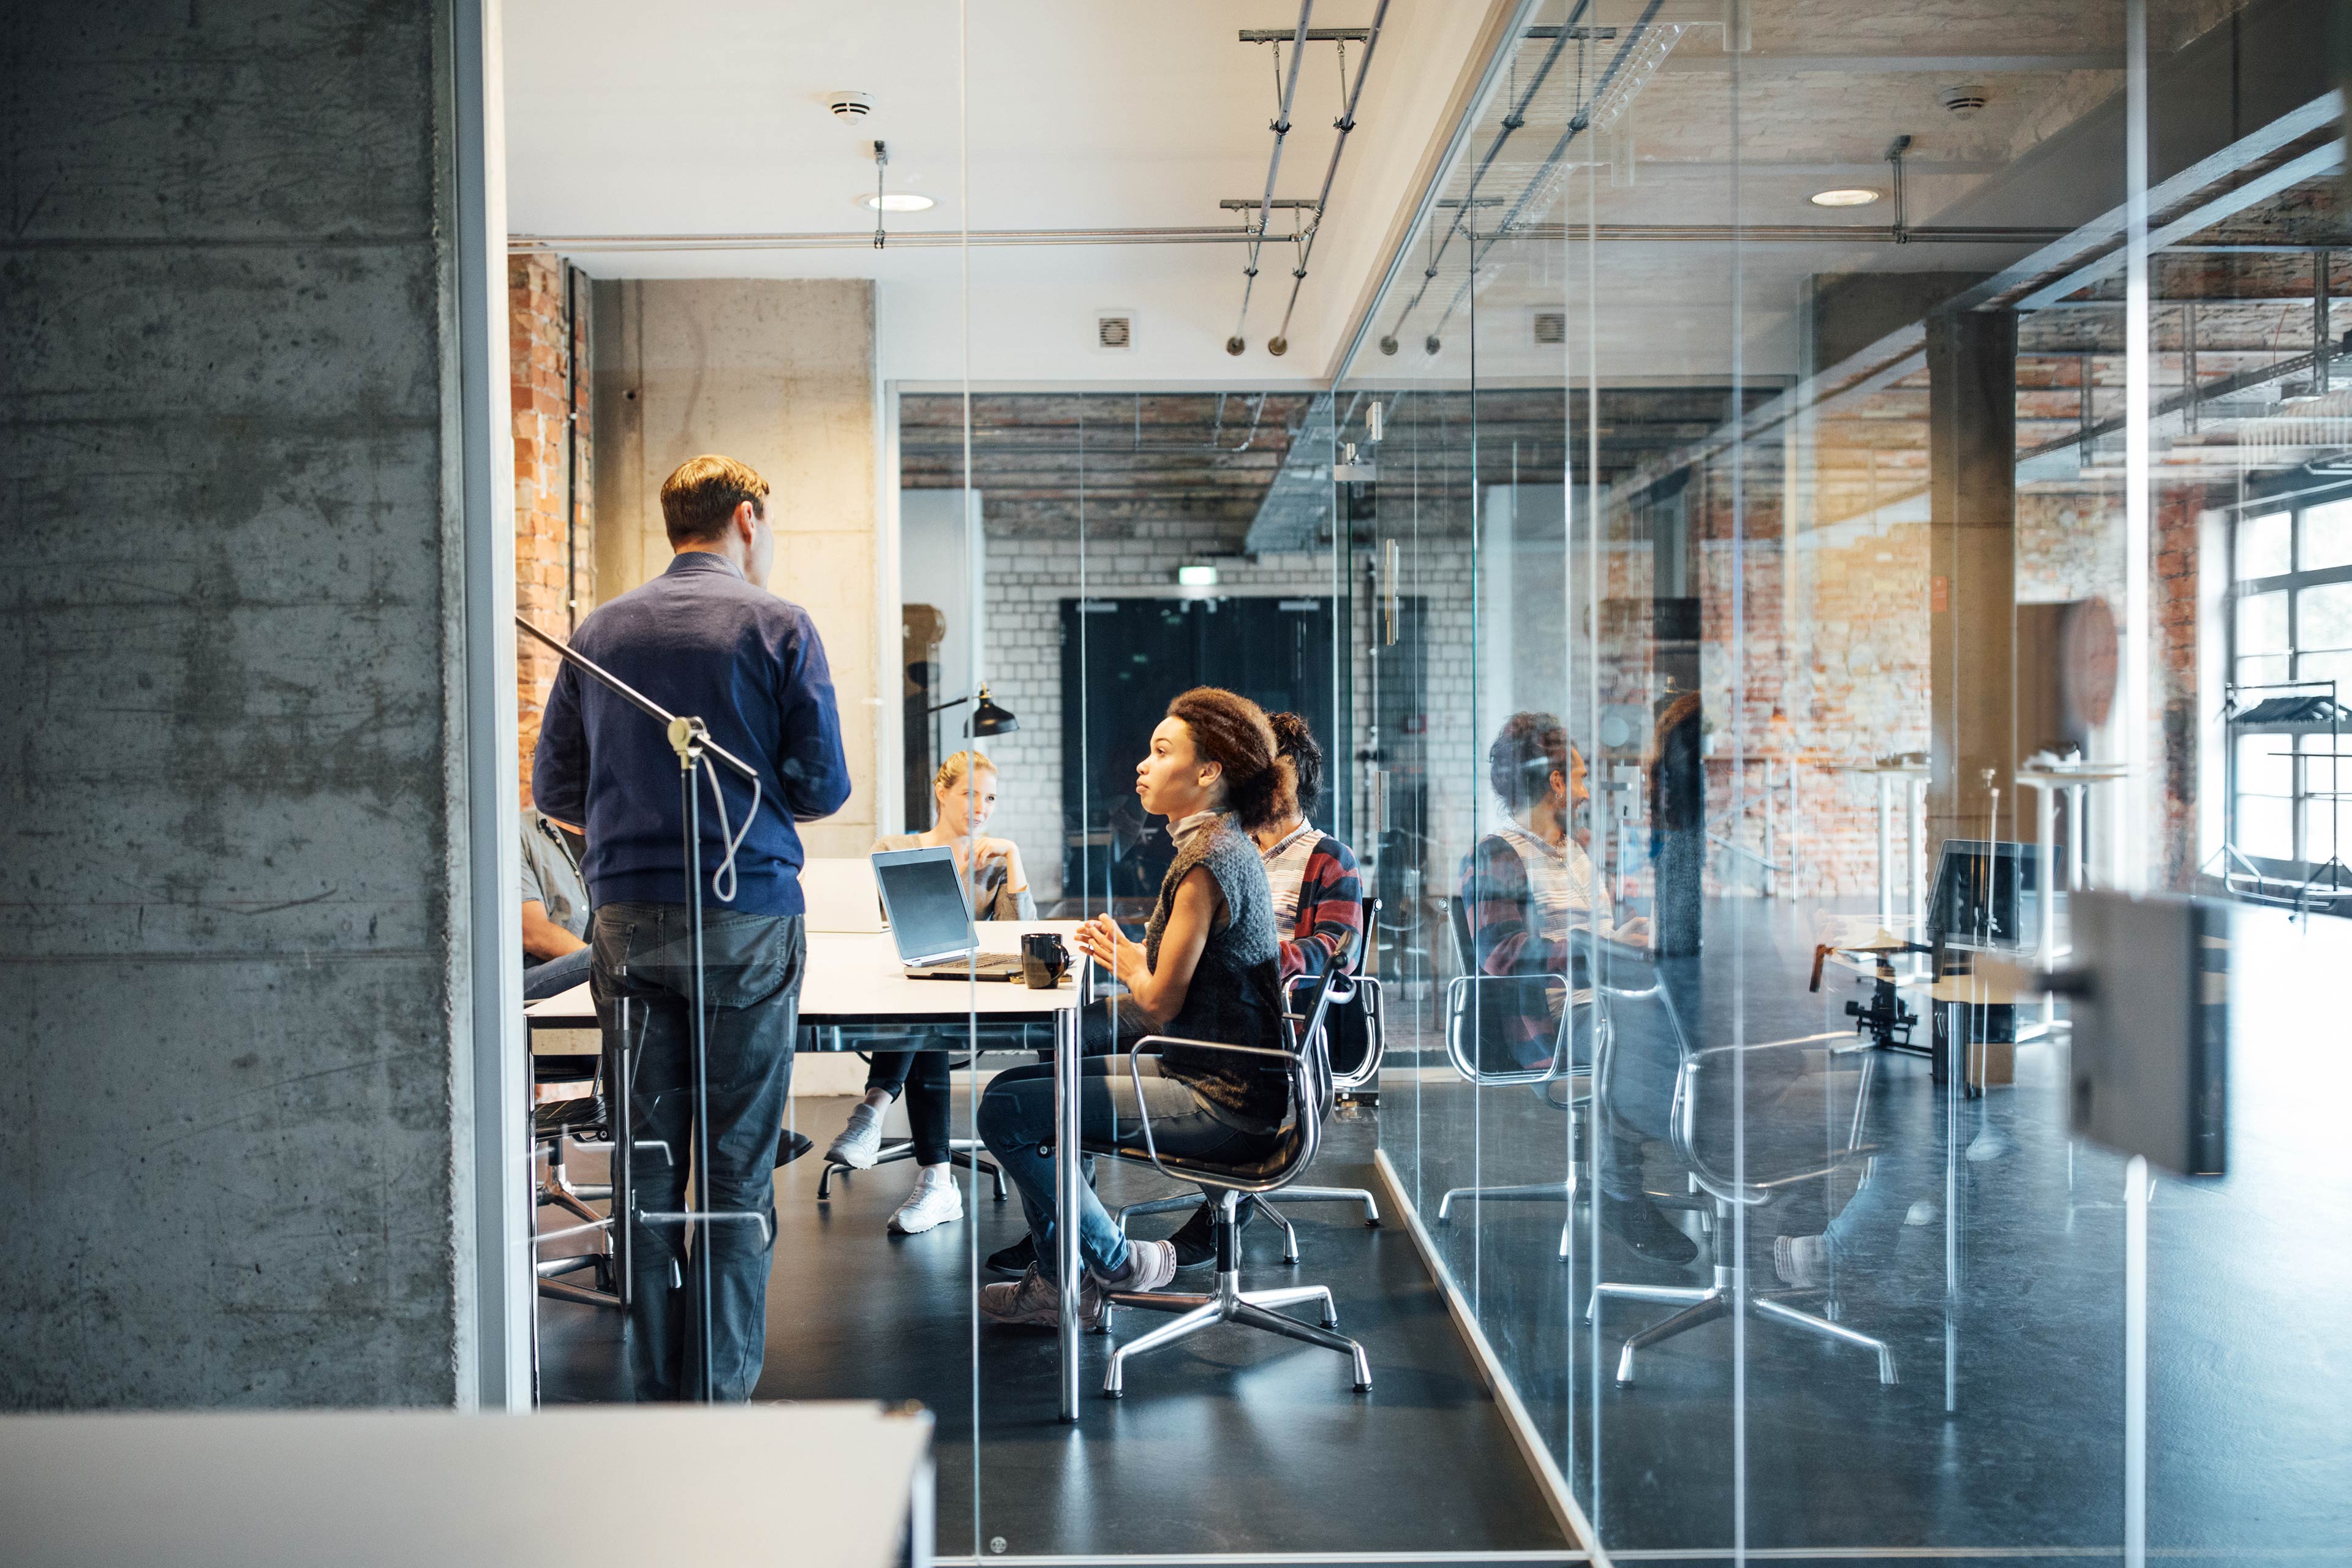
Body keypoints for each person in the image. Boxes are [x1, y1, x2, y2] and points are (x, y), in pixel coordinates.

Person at [532, 453, 851, 1402]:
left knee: (646, 1165)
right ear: (746, 518)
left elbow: (555, 791)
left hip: (628, 921)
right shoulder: (778, 624)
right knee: (735, 1173)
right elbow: (824, 788)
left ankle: (656, 1391)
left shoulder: (600, 632)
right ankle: (719, 1398)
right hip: (746, 917)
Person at [973, 688, 1292, 1329]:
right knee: (1016, 1091)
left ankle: (1112, 1262)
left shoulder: (1209, 862)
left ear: (1208, 773)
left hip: (1218, 1099)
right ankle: (1062, 1282)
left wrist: (1124, 960)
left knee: (1008, 1108)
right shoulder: (1215, 848)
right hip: (1215, 1076)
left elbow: (1157, 998)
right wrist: (1127, 951)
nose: (1143, 765)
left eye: (1161, 751)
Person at [1458, 711, 1696, 1266]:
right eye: (1582, 778)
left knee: (1685, 1021)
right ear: (1557, 783)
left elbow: (1592, 938)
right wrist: (1599, 946)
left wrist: (1626, 937)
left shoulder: (1576, 850)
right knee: (1638, 1036)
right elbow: (1502, 956)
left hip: (1603, 1005)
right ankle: (1621, 1189)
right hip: (1552, 1022)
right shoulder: (1496, 855)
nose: (1588, 792)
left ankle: (1687, 1160)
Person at [1155, 710, 1363, 1270]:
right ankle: (1059, 1233)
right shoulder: (1226, 846)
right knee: (1075, 1043)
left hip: (1272, 1022)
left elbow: (1337, 949)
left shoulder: (1326, 856)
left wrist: (1255, 962)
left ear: (1298, 779)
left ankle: (1220, 1208)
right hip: (1211, 1011)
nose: (1262, 781)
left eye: (1276, 770)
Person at [824, 750, 1037, 1238]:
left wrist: (1013, 857)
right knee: (922, 1012)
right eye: (969, 794)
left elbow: (1021, 936)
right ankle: (937, 1181)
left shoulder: (993, 863)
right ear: (942, 793)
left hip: (964, 999)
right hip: (902, 992)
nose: (980, 807)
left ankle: (873, 1110)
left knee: (930, 1014)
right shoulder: (895, 846)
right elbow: (870, 926)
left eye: (990, 798)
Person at [521, 806, 592, 1003]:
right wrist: (612, 966)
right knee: (616, 957)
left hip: (604, 970)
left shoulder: (616, 836)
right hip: (535, 976)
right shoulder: (519, 830)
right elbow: (534, 933)